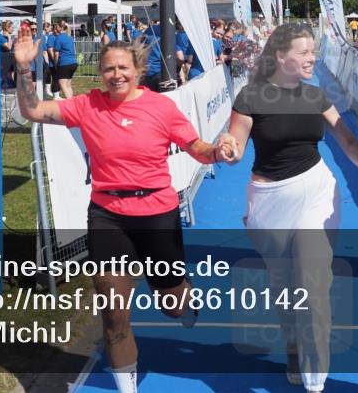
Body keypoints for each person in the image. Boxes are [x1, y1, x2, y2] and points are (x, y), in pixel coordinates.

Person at [13, 28, 235, 393]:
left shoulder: (160, 107)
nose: (116, 74)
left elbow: (196, 147)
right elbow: (33, 110)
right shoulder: (87, 105)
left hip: (157, 215)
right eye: (108, 69)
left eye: (123, 68)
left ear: (137, 69)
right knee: (114, 314)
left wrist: (217, 151)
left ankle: (185, 299)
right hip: (108, 216)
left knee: (173, 305)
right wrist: (24, 69)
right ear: (100, 73)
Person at [217, 23, 358, 393]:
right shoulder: (250, 97)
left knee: (313, 283)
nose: (313, 58)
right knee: (284, 285)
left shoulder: (316, 96)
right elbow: (237, 145)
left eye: (313, 52)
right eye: (305, 52)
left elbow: (347, 138)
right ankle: (293, 343)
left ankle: (314, 378)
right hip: (268, 199)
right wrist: (228, 149)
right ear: (280, 56)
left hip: (315, 191)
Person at [54, 22, 79, 99]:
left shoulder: (59, 38)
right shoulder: (69, 37)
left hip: (65, 63)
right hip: (73, 62)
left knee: (63, 84)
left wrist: (56, 63)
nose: (55, 28)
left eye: (57, 27)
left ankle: (71, 104)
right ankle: (73, 102)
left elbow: (56, 53)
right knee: (68, 85)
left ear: (61, 28)